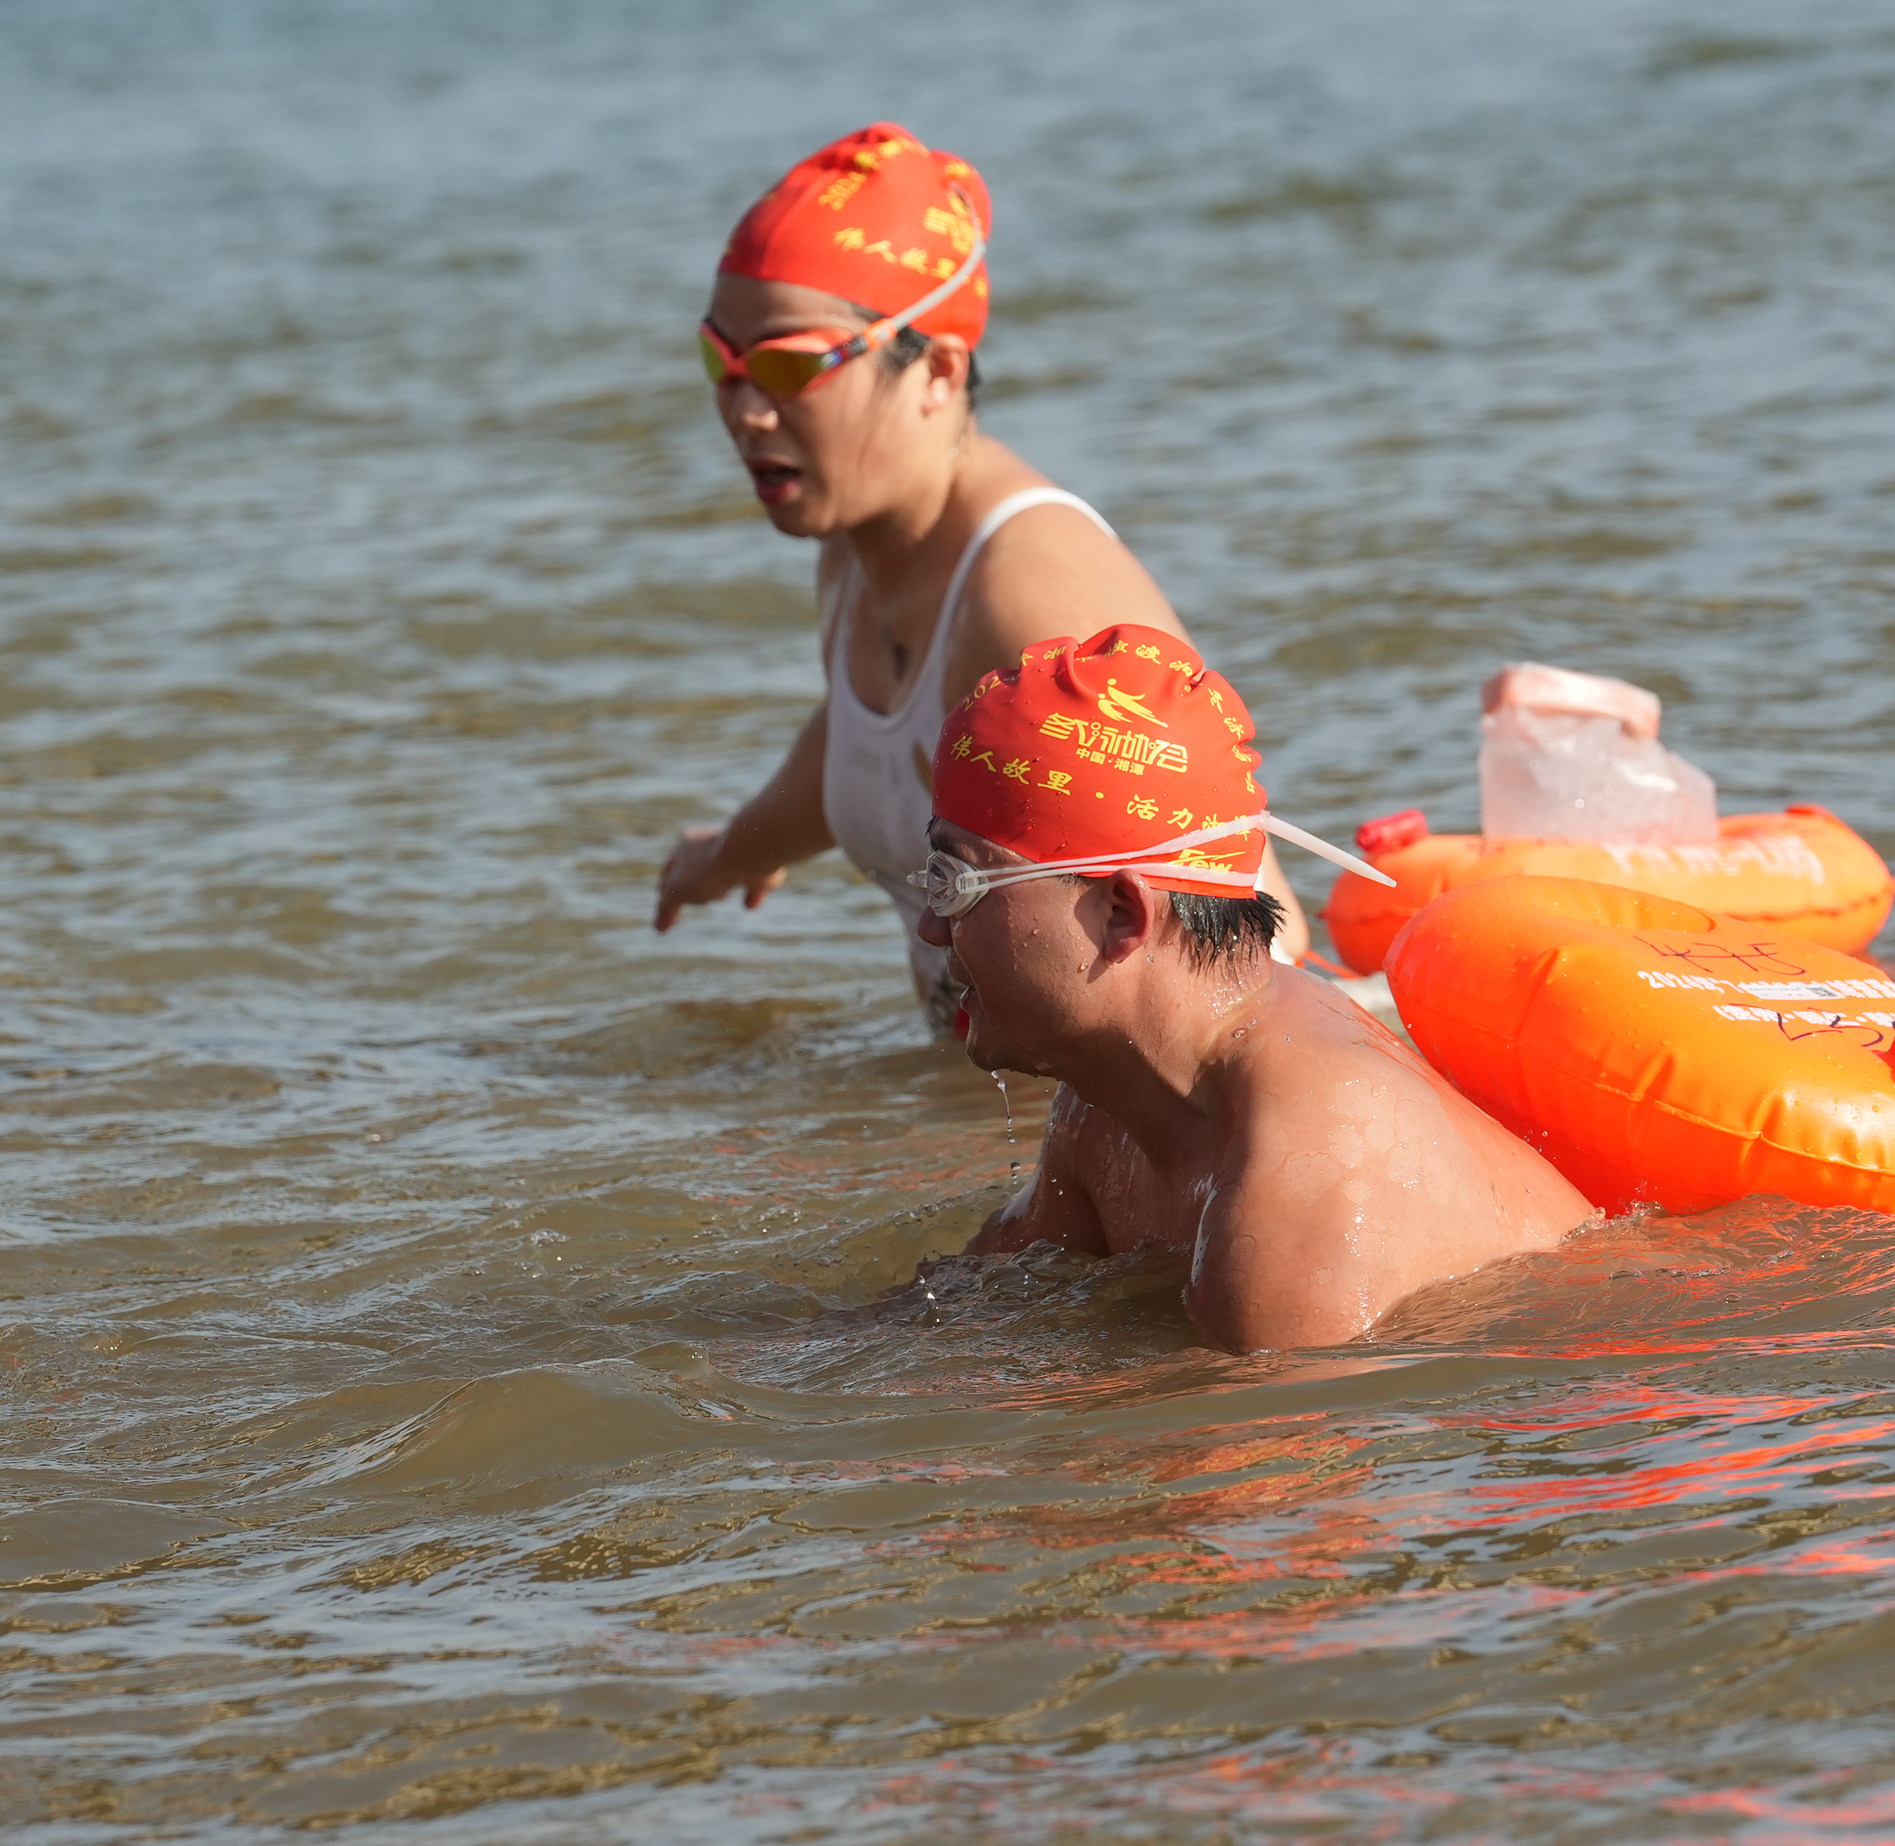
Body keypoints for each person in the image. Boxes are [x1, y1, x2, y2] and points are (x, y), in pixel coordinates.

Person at [652, 123, 1306, 1026]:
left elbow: (1254, 941)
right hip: (988, 1092)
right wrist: (730, 854)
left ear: (937, 369)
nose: (746, 411)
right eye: (719, 361)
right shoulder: (853, 547)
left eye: (788, 365)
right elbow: (866, 740)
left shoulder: (1027, 590)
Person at [911, 628, 1594, 1350]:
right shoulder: (1111, 1095)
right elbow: (974, 1301)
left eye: (954, 884)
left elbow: (1259, 1423)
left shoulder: (1306, 1187)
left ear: (1122, 914)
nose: (929, 927)